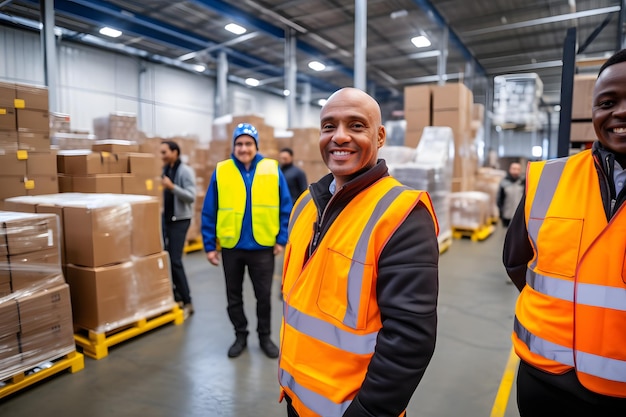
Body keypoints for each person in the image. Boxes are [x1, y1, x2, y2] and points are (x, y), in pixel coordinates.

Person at [279, 88, 439, 417]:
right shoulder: (305, 205)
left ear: (379, 136)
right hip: (297, 398)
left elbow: (409, 340)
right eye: (329, 126)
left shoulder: (402, 214)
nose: (340, 137)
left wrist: (367, 412)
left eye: (355, 126)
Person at [503, 49, 626, 416]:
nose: (619, 111)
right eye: (607, 101)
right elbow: (515, 261)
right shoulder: (549, 178)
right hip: (544, 379)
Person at [201, 123, 292, 359]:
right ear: (234, 146)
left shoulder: (272, 169)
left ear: (256, 146)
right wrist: (210, 245)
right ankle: (240, 335)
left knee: (263, 297)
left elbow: (285, 207)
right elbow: (209, 210)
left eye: (248, 143)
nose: (243, 148)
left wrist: (281, 238)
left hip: (263, 247)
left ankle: (264, 337)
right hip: (232, 247)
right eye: (239, 144)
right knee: (234, 297)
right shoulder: (222, 171)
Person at [160, 140, 196, 318]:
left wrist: (172, 187)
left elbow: (191, 197)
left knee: (175, 260)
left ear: (175, 152)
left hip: (180, 220)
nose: (162, 156)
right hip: (167, 219)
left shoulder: (184, 171)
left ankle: (188, 301)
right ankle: (178, 297)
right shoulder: (166, 169)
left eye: (165, 152)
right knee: (168, 259)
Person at [496, 161, 524, 227]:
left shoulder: (523, 183)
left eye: (518, 169)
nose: (515, 171)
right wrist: (501, 213)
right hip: (507, 216)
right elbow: (499, 200)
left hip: (520, 217)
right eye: (514, 169)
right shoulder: (504, 183)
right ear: (510, 169)